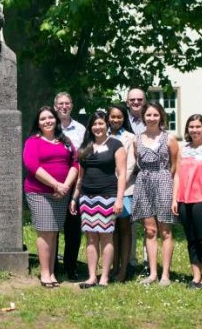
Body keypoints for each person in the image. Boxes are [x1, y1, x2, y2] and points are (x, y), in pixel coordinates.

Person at [23, 106, 79, 288]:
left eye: (50, 118)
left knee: (54, 232)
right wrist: (55, 184)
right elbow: (32, 165)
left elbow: (75, 162)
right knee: (45, 231)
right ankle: (45, 273)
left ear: (56, 119)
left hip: (61, 193)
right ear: (38, 123)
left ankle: (52, 271)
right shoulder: (33, 141)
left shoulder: (65, 141)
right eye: (42, 119)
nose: (47, 121)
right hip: (39, 192)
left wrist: (66, 186)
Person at [70, 110, 126, 288]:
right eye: (94, 124)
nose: (98, 127)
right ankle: (92, 276)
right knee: (91, 238)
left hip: (108, 196)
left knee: (106, 237)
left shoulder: (116, 145)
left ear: (107, 125)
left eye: (101, 123)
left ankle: (104, 278)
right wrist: (74, 199)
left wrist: (119, 199)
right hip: (87, 198)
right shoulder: (85, 147)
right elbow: (80, 177)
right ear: (90, 127)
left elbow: (122, 174)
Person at [172, 115, 202, 289]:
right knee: (191, 239)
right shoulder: (182, 149)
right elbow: (177, 175)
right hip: (185, 200)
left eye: (198, 127)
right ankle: (195, 276)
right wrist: (174, 198)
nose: (194, 130)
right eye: (191, 127)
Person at [132, 101, 178, 286]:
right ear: (143, 117)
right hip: (143, 183)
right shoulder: (137, 139)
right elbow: (137, 162)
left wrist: (169, 184)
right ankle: (152, 274)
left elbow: (175, 165)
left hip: (164, 181)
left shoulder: (169, 138)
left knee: (165, 231)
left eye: (155, 115)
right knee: (150, 231)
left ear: (161, 116)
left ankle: (165, 274)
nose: (151, 118)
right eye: (148, 115)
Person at [53, 92, 86, 280]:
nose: (64, 107)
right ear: (55, 106)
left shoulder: (80, 129)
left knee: (73, 228)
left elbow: (83, 158)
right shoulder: (49, 126)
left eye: (67, 103)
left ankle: (71, 266)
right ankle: (53, 267)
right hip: (53, 183)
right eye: (60, 104)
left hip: (74, 184)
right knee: (53, 227)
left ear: (71, 105)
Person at [108, 104, 137, 282]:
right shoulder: (103, 135)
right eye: (113, 117)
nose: (116, 120)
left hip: (125, 189)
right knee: (112, 230)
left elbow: (131, 165)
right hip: (107, 191)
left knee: (125, 229)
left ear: (124, 118)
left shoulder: (130, 138)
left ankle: (124, 270)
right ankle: (114, 266)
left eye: (119, 117)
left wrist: (117, 185)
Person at [126, 87, 146, 271]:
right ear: (127, 102)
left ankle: (149, 260)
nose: (136, 103)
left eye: (139, 99)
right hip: (129, 177)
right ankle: (130, 259)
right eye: (133, 100)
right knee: (130, 220)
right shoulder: (122, 121)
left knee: (149, 219)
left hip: (149, 176)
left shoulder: (152, 119)